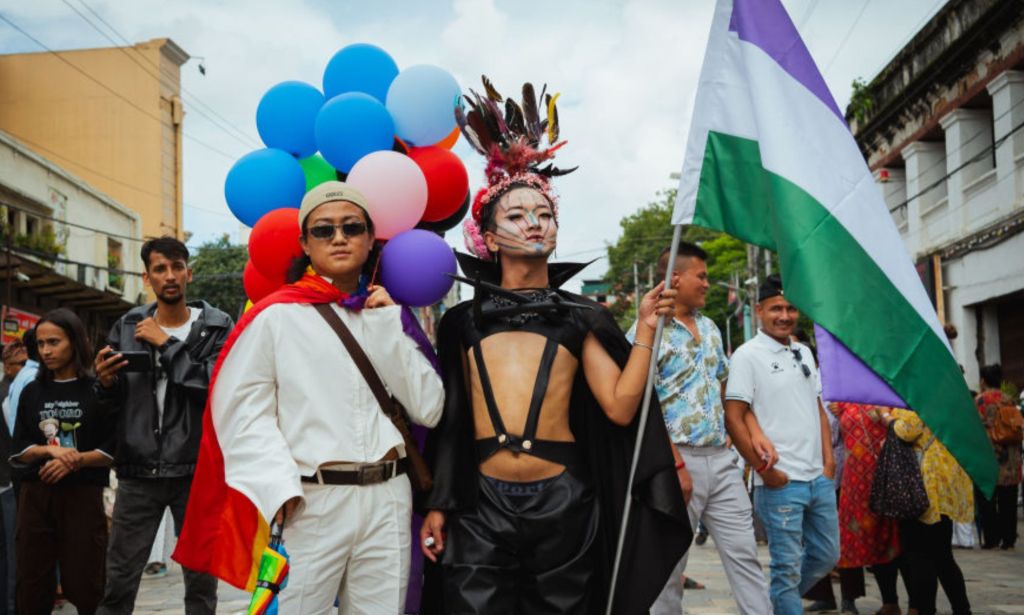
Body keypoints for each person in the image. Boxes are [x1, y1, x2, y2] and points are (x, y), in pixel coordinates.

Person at [419, 78, 691, 615]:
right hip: (481, 504)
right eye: (517, 216)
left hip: (565, 501)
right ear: (489, 238)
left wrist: (643, 331)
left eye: (544, 214)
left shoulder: (582, 317)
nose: (534, 223)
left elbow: (618, 406)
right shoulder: (460, 323)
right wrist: (439, 504)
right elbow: (449, 423)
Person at [175, 181, 445, 613]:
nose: (339, 238)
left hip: (389, 498)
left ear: (370, 237)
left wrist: (389, 328)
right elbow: (243, 414)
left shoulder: (389, 316)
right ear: (305, 241)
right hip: (310, 501)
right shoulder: (276, 317)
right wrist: (277, 488)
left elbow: (430, 409)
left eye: (352, 227)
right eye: (324, 230)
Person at [94, 236, 232, 615]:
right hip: (138, 469)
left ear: (189, 272)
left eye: (176, 267)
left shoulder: (218, 326)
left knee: (201, 582)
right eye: (160, 269)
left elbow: (220, 388)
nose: (169, 276)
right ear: (147, 277)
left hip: (197, 469)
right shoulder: (127, 325)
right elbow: (111, 403)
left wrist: (166, 345)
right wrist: (103, 384)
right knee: (119, 580)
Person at [640, 244, 771, 615]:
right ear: (675, 278)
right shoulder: (649, 330)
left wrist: (752, 432)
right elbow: (642, 403)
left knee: (745, 555)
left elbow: (728, 390)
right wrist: (674, 465)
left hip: (722, 460)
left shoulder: (712, 327)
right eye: (702, 276)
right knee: (670, 566)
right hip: (675, 463)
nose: (708, 284)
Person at [724, 274, 839, 615]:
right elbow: (735, 415)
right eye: (776, 308)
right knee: (786, 567)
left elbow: (818, 408)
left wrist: (829, 463)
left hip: (818, 478)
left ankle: (777, 601)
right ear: (759, 310)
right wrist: (764, 471)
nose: (785, 316)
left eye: (790, 309)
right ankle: (784, 599)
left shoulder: (803, 350)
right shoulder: (747, 355)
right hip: (780, 482)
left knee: (827, 555)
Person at [9, 309, 114, 615]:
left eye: (54, 342)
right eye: (41, 344)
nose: (46, 351)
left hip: (82, 496)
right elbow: (20, 449)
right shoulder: (32, 391)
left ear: (75, 341)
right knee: (32, 580)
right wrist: (49, 452)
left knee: (87, 581)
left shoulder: (96, 390)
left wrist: (76, 460)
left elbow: (112, 449)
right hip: (36, 495)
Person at [883, 407, 972, 615]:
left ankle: (926, 609)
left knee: (919, 555)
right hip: (945, 483)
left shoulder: (921, 399)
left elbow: (907, 430)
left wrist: (886, 416)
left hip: (922, 485)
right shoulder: (952, 403)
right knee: (942, 555)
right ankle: (962, 609)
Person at [975, 364, 1020, 550]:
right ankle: (1008, 539)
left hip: (989, 456)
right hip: (1010, 456)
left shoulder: (980, 401)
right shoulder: (1009, 399)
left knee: (987, 499)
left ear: (983, 380)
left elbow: (974, 427)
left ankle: (992, 538)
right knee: (1009, 500)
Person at [0, 339, 27, 615]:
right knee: (14, 555)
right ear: (8, 367)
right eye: (22, 364)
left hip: (7, 484)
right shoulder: (10, 395)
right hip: (10, 485)